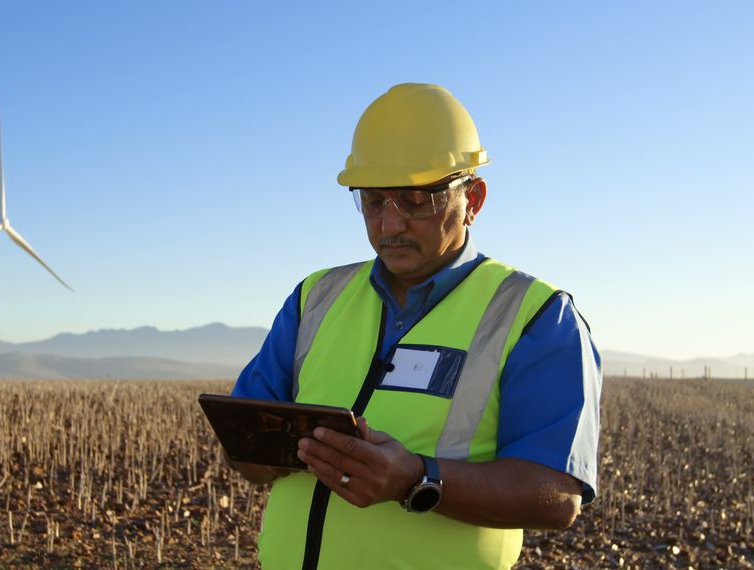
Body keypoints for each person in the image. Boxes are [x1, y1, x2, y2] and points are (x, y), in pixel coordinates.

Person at [229, 83, 602, 569]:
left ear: (475, 198)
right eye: (374, 201)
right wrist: (259, 451)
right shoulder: (314, 298)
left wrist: (417, 480)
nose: (390, 224)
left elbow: (555, 495)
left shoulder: (536, 316)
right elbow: (244, 446)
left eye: (416, 200)